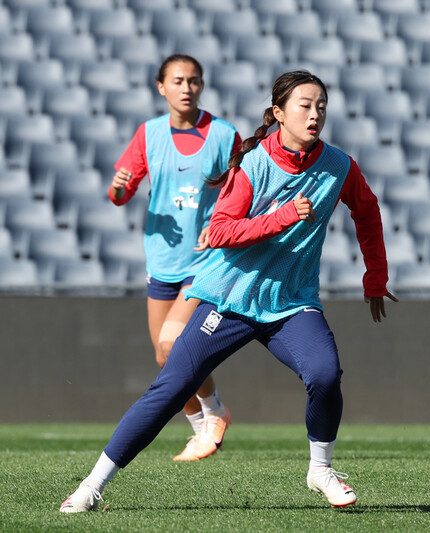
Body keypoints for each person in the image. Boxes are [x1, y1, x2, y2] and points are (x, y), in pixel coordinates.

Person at [60, 69, 397, 512]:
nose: (315, 115)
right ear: (278, 113)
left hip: (291, 304)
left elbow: (368, 212)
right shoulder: (253, 162)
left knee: (325, 374)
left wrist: (375, 277)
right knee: (171, 386)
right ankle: (92, 485)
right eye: (304, 105)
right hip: (230, 300)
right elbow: (219, 231)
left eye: (321, 107)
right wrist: (282, 217)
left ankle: (321, 470)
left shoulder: (338, 165)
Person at [108, 54, 242, 462]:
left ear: (202, 86)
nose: (187, 88)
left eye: (194, 81)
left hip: (204, 262)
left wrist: (223, 223)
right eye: (178, 81)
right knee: (164, 358)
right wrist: (119, 187)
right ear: (161, 87)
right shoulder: (148, 135)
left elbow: (244, 192)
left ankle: (215, 413)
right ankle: (202, 426)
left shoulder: (223, 135)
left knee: (172, 347)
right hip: (162, 260)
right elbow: (120, 195)